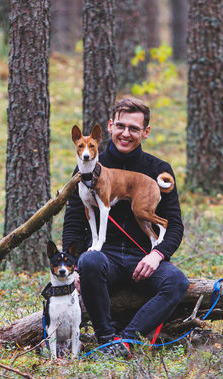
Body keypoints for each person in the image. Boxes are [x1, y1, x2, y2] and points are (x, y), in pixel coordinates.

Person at [62, 97, 190, 357]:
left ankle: (128, 340)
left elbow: (174, 225)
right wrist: (72, 266)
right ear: (110, 126)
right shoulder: (84, 170)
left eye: (134, 128)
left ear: (146, 132)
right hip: (102, 260)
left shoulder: (158, 169)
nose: (126, 133)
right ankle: (107, 339)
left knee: (177, 282)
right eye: (121, 126)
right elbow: (74, 223)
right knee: (90, 262)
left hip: (142, 260)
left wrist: (158, 254)